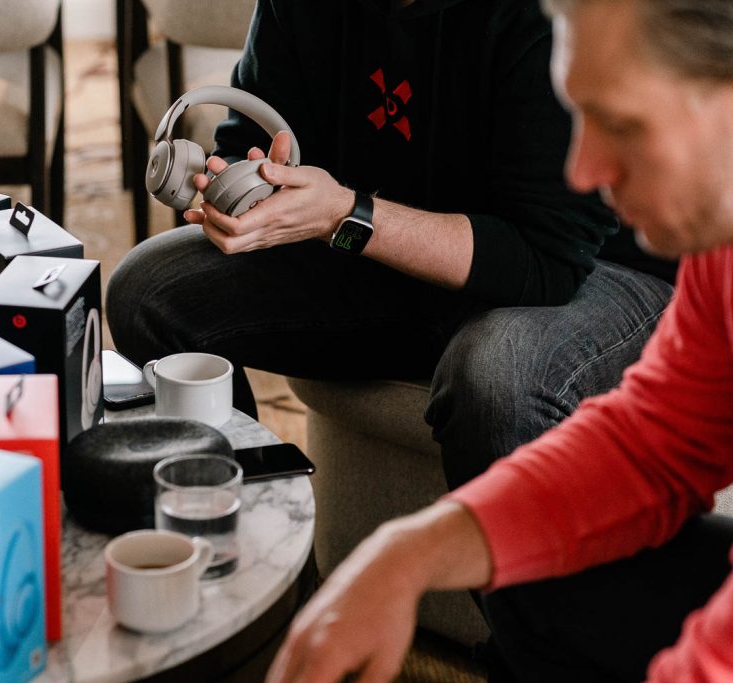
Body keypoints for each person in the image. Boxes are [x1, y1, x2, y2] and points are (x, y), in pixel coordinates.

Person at [264, 0, 733, 680]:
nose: (582, 172)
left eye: (619, 123)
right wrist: (406, 555)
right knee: (536, 579)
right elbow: (651, 446)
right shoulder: (719, 251)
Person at [107, 0, 674, 498]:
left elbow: (545, 259)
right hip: (386, 255)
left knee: (495, 376)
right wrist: (245, 189)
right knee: (146, 293)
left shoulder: (543, 17)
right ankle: (246, 523)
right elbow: (247, 140)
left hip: (588, 271)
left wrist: (343, 215)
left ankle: (512, 594)